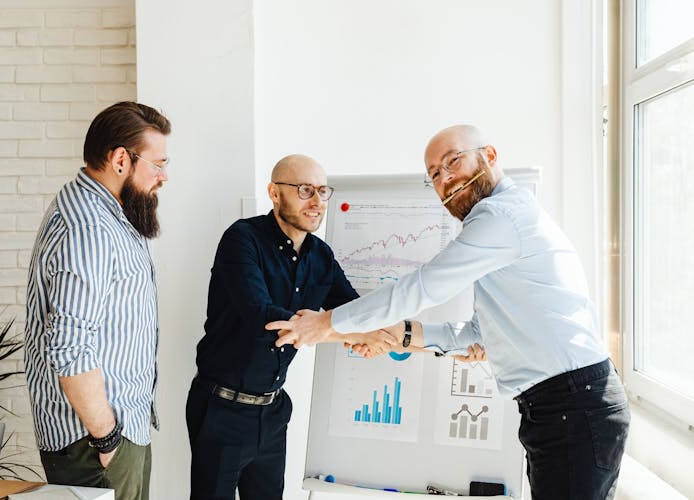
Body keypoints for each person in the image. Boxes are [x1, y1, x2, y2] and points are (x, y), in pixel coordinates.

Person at [267, 125, 630, 500]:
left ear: (489, 155)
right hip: (560, 409)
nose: (445, 178)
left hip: (573, 406)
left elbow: (422, 287)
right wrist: (405, 336)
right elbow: (477, 332)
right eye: (435, 175)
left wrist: (324, 324)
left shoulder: (500, 217)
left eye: (452, 161)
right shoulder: (500, 224)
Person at [186, 154, 396, 500]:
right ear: (274, 192)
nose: (316, 202)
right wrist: (350, 333)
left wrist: (384, 332)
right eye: (304, 190)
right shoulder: (242, 239)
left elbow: (354, 312)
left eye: (322, 191)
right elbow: (265, 319)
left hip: (273, 412)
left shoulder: (321, 256)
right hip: (222, 410)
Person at [24, 101, 171, 500]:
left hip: (117, 430)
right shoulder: (88, 229)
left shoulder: (112, 215)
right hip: (95, 443)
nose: (164, 176)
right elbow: (69, 347)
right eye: (157, 164)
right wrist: (107, 440)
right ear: (121, 159)